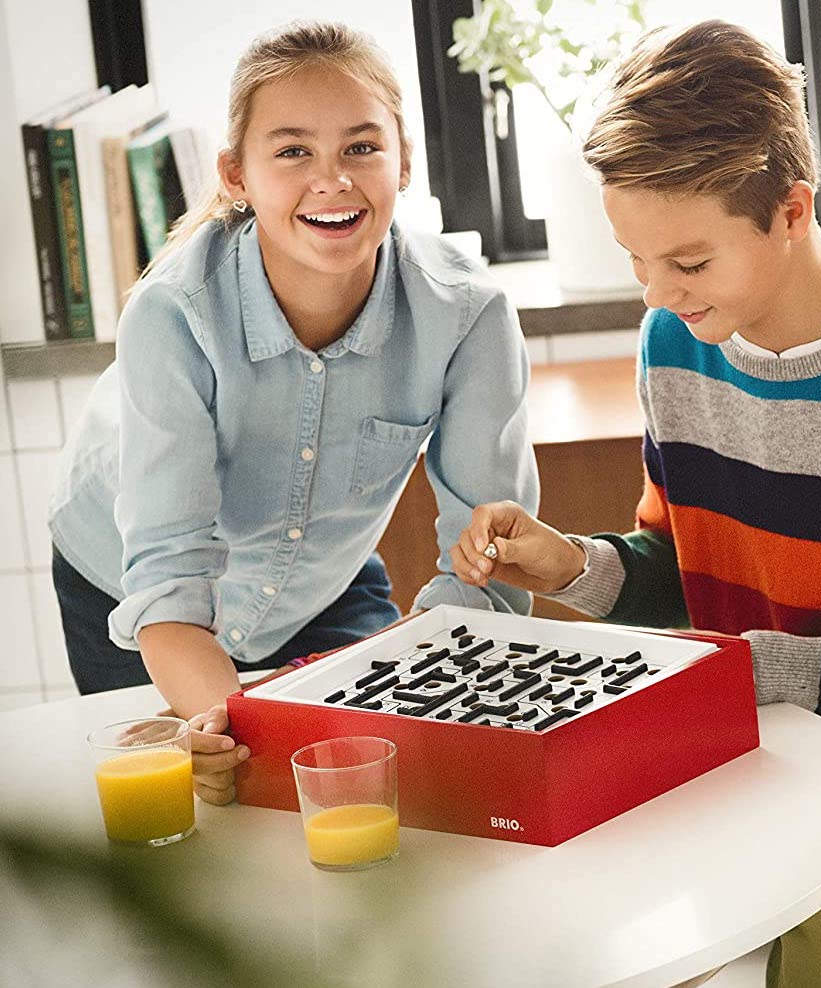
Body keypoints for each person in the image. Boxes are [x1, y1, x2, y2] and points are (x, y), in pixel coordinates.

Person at [452, 20, 821, 988]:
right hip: (733, 750)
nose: (657, 293)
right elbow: (686, 576)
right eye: (635, 260)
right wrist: (573, 565)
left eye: (688, 263)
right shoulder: (676, 345)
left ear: (790, 208)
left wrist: (754, 672)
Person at [49, 20, 538, 806]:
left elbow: (487, 567)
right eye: (292, 151)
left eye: (361, 147)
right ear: (236, 174)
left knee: (367, 799)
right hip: (133, 594)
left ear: (404, 160)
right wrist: (221, 720)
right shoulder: (173, 315)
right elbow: (170, 580)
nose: (332, 180)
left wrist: (419, 697)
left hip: (321, 583)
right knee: (203, 815)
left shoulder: (469, 316)